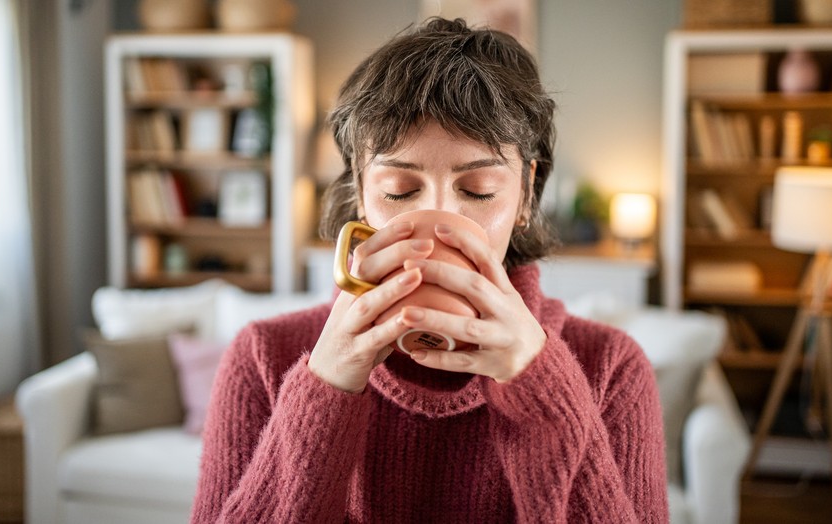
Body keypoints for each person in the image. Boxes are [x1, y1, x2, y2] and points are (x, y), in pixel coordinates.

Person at [191, 17, 667, 523]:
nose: (441, 221)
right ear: (360, 189)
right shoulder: (264, 358)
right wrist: (325, 388)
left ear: (525, 192)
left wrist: (542, 392)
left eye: (479, 190)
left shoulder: (611, 370)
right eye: (399, 189)